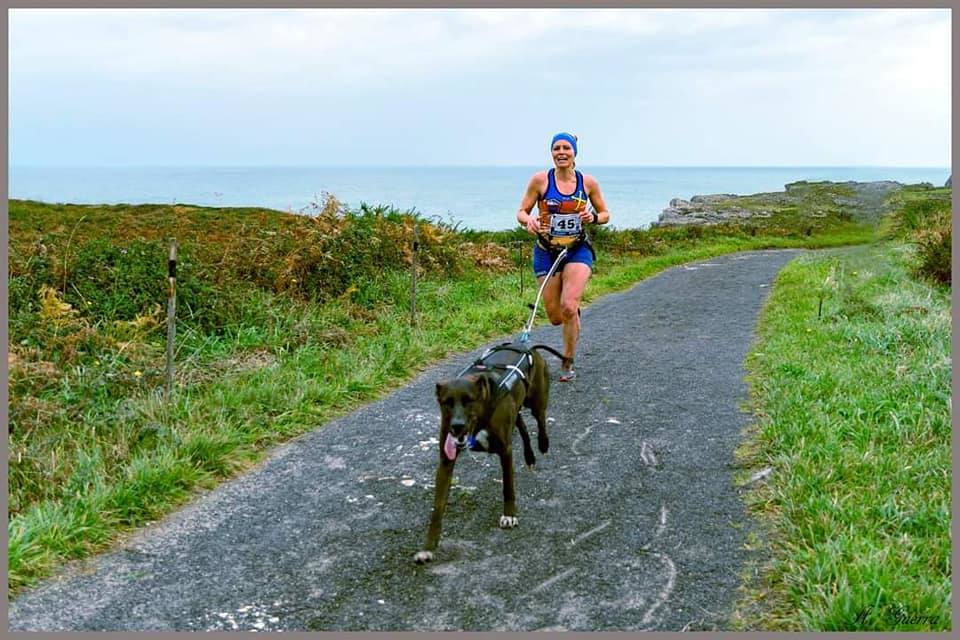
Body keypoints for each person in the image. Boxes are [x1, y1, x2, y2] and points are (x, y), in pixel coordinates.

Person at [515, 132, 610, 382]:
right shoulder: (540, 180)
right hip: (546, 251)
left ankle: (567, 361)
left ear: (574, 152)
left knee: (569, 306)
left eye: (566, 148)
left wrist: (594, 218)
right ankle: (571, 316)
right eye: (556, 148)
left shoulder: (587, 183)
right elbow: (521, 211)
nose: (561, 152)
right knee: (556, 317)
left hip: (577, 249)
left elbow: (605, 213)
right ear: (552, 153)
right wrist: (530, 220)